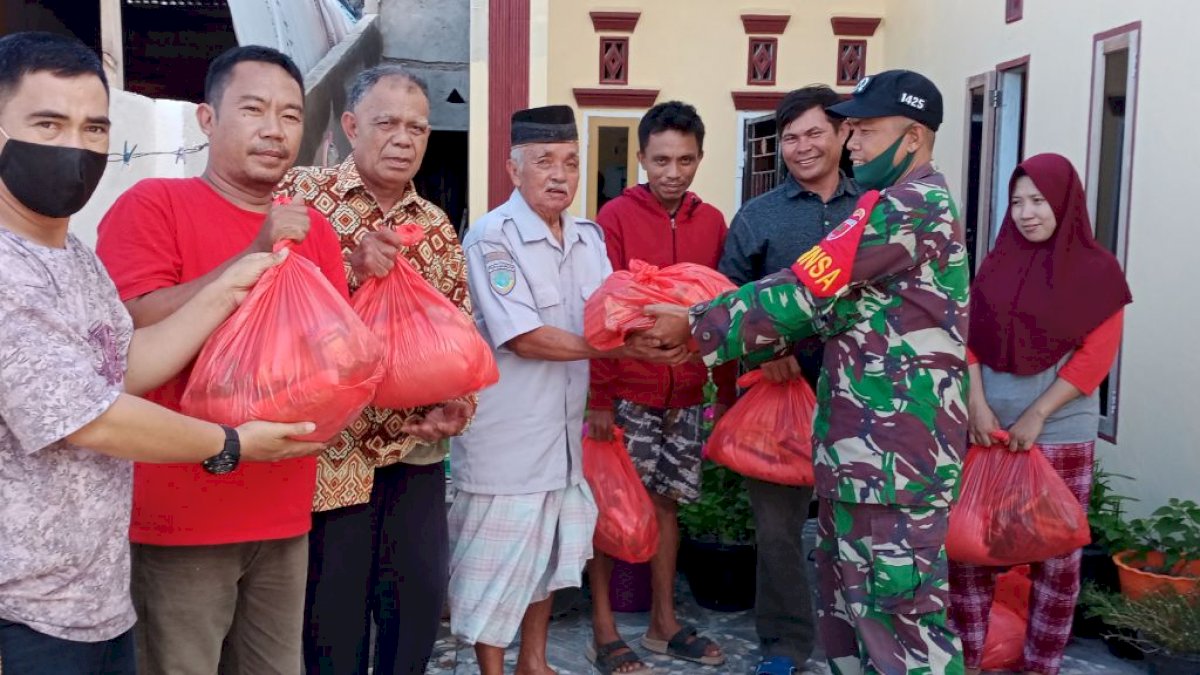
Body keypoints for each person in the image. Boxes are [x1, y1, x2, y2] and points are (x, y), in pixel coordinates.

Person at [0, 32, 322, 675]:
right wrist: (231, 442)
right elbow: (91, 416)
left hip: (96, 596)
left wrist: (231, 287)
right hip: (20, 612)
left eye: (94, 128)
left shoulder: (74, 260)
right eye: (47, 122)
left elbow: (127, 366)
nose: (75, 146)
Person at [642, 69, 970, 674]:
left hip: (894, 461)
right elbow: (827, 299)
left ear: (916, 136)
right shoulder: (884, 207)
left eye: (866, 132)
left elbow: (810, 288)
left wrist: (695, 326)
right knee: (853, 615)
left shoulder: (908, 207)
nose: (854, 145)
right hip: (865, 456)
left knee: (902, 629)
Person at [94, 46, 349, 675]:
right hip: (181, 512)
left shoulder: (313, 229)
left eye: (290, 116)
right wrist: (251, 256)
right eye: (253, 109)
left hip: (283, 504)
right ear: (207, 120)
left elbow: (331, 352)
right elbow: (133, 324)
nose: (274, 130)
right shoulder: (154, 205)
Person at [450, 104, 682, 675]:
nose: (560, 174)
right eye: (545, 161)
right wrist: (620, 348)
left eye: (572, 163)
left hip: (563, 440)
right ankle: (493, 670)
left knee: (546, 562)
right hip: (506, 440)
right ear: (513, 168)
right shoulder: (492, 239)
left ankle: (534, 662)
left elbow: (611, 311)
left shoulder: (587, 237)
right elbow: (524, 336)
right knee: (495, 569)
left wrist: (662, 324)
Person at [275, 64, 473, 675]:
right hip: (328, 455)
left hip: (411, 452)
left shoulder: (436, 227)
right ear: (351, 125)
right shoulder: (299, 197)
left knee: (413, 610)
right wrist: (351, 273)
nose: (404, 138)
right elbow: (266, 310)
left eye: (418, 127)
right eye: (387, 123)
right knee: (329, 622)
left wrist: (458, 403)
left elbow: (458, 333)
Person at [949, 153, 1132, 675]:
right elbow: (967, 339)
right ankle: (971, 659)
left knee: (1056, 558)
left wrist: (1037, 415)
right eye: (1017, 202)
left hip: (1058, 433)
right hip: (987, 430)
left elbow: (1096, 357)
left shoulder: (1098, 271)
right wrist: (976, 406)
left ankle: (1041, 665)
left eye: (1039, 200)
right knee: (971, 549)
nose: (1027, 213)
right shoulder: (996, 262)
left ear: (1065, 202)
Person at [585, 100, 733, 673]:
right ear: (641, 157)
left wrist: (721, 388)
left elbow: (722, 311)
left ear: (700, 158)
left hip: (688, 390)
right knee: (609, 509)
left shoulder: (712, 221)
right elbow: (600, 310)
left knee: (666, 505)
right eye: (662, 160)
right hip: (628, 391)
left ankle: (662, 622)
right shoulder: (615, 218)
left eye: (686, 160)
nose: (673, 172)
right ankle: (603, 629)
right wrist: (600, 397)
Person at [718, 85, 859, 675]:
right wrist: (761, 353)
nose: (801, 148)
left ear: (844, 134)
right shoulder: (758, 216)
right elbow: (723, 299)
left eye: (813, 134)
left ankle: (857, 640)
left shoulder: (873, 208)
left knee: (854, 528)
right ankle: (784, 643)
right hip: (779, 399)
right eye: (790, 137)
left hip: (861, 398)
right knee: (777, 532)